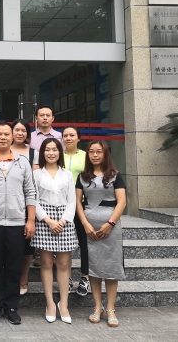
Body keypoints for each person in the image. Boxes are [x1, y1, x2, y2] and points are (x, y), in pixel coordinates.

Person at [0, 121, 36, 325]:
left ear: (12, 137)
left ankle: (11, 306)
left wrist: (30, 220)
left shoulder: (22, 162)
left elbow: (30, 191)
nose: (2, 137)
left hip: (17, 222)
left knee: (13, 266)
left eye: (6, 134)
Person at [76, 140, 126, 328]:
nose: (95, 155)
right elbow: (77, 202)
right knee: (94, 268)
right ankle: (97, 307)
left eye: (99, 151)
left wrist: (110, 223)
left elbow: (122, 202)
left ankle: (111, 308)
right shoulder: (82, 176)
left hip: (111, 228)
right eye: (91, 151)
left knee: (111, 267)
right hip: (89, 228)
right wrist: (85, 224)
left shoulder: (115, 175)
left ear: (105, 154)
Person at [31, 138, 78, 324]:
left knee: (64, 264)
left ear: (60, 152)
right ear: (42, 153)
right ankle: (50, 303)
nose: (51, 153)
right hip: (44, 219)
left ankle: (63, 304)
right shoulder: (36, 174)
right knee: (46, 263)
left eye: (55, 149)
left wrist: (63, 220)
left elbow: (72, 200)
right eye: (47, 150)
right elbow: (33, 199)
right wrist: (49, 221)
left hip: (64, 219)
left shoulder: (67, 174)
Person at [11, 118, 40, 296]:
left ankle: (24, 277)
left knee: (27, 244)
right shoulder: (3, 150)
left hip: (26, 202)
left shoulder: (33, 152)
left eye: (23, 130)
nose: (20, 133)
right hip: (7, 203)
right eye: (17, 130)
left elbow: (33, 181)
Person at [63, 125, 90, 297]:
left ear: (78, 138)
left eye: (72, 135)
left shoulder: (86, 156)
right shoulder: (58, 155)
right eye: (65, 135)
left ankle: (85, 277)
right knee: (65, 244)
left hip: (82, 204)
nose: (68, 138)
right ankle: (66, 279)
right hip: (62, 205)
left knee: (84, 242)